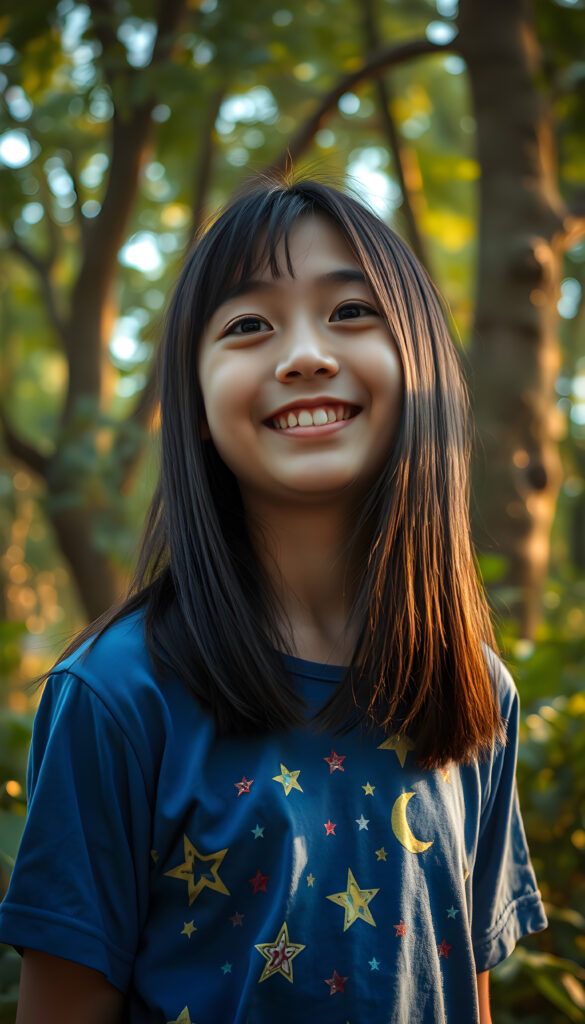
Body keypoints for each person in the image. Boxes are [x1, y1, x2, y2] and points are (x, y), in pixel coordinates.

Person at [0, 179, 547, 1024]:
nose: (303, 355)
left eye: (351, 312)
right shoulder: (114, 697)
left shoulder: (476, 694)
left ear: (423, 367)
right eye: (248, 325)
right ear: (198, 404)